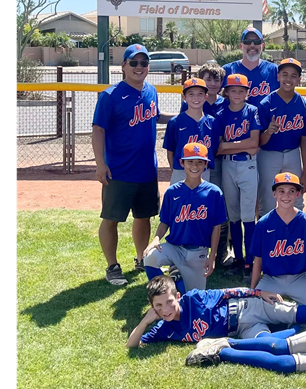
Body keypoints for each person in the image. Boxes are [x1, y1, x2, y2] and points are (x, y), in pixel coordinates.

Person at [92, 43, 174, 285]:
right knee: (111, 219)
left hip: (147, 169)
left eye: (144, 63)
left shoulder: (151, 91)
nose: (139, 67)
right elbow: (98, 130)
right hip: (118, 170)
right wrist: (100, 164)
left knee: (144, 217)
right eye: (134, 62)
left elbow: (156, 115)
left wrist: (183, 114)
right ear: (124, 66)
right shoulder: (110, 95)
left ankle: (140, 258)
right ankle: (112, 266)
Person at [127, 275, 306, 348]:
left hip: (246, 307)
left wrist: (259, 294)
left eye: (168, 302)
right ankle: (297, 331)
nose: (165, 309)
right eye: (158, 306)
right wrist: (145, 322)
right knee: (270, 344)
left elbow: (229, 292)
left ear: (177, 297)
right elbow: (131, 345)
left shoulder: (193, 298)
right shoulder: (164, 329)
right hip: (243, 328)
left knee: (300, 312)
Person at [142, 142, 227, 294]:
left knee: (193, 299)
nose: (194, 166)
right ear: (182, 163)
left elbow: (216, 227)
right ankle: (163, 293)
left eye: (199, 162)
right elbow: (165, 222)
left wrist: (212, 256)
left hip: (198, 252)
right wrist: (156, 239)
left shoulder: (214, 192)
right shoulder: (173, 191)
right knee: (150, 257)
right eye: (190, 161)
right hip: (175, 247)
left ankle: (177, 277)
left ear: (206, 164)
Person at [249, 173, 306, 307]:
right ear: (274, 194)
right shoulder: (264, 224)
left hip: (299, 278)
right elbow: (258, 260)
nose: (286, 196)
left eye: (292, 191)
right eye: (281, 191)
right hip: (271, 279)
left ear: (298, 194)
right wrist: (252, 291)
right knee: (252, 309)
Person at [180, 63, 231, 267]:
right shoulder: (192, 103)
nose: (211, 83)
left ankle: (222, 251)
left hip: (220, 160)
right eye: (207, 79)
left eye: (216, 80)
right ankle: (195, 250)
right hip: (195, 163)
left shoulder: (225, 103)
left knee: (220, 205)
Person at [215, 74, 262, 283]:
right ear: (226, 92)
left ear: (247, 93)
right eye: (233, 90)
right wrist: (230, 146)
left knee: (248, 216)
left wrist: (227, 145)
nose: (237, 94)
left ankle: (250, 261)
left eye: (241, 90)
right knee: (232, 213)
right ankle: (238, 259)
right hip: (228, 165)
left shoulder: (252, 111)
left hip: (247, 165)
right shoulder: (221, 112)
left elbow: (254, 144)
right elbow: (218, 146)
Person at [256, 57, 306, 217]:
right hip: (268, 154)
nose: (289, 79)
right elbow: (259, 141)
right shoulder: (266, 104)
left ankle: (295, 236)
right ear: (278, 76)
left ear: (299, 79)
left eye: (293, 75)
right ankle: (266, 237)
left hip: (293, 153)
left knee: (297, 198)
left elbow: (304, 140)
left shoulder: (303, 105)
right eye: (285, 74)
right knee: (267, 199)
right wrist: (268, 131)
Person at [164, 78, 221, 184]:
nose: (196, 97)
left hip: (203, 170)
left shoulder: (212, 122)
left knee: (202, 199)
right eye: (191, 94)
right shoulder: (175, 122)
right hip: (180, 171)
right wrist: (174, 170)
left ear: (206, 97)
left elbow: (214, 148)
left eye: (200, 94)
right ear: (184, 97)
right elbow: (170, 151)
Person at [222, 28, 279, 108]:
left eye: (257, 42)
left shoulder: (274, 70)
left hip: (266, 120)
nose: (252, 45)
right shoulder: (227, 70)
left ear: (262, 46)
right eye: (247, 42)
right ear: (241, 46)